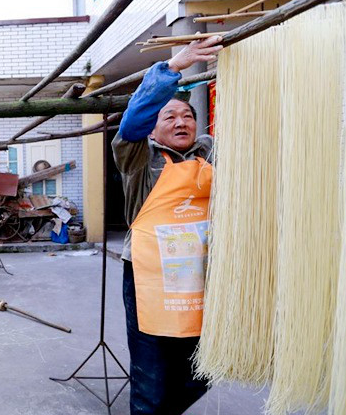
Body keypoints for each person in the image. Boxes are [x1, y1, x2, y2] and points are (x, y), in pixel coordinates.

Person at [112, 35, 222, 415]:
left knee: (204, 369)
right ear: (152, 129)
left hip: (204, 278)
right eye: (170, 117)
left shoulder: (211, 152)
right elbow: (134, 118)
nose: (181, 122)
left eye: (188, 116)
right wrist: (173, 68)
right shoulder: (138, 157)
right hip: (149, 280)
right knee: (151, 382)